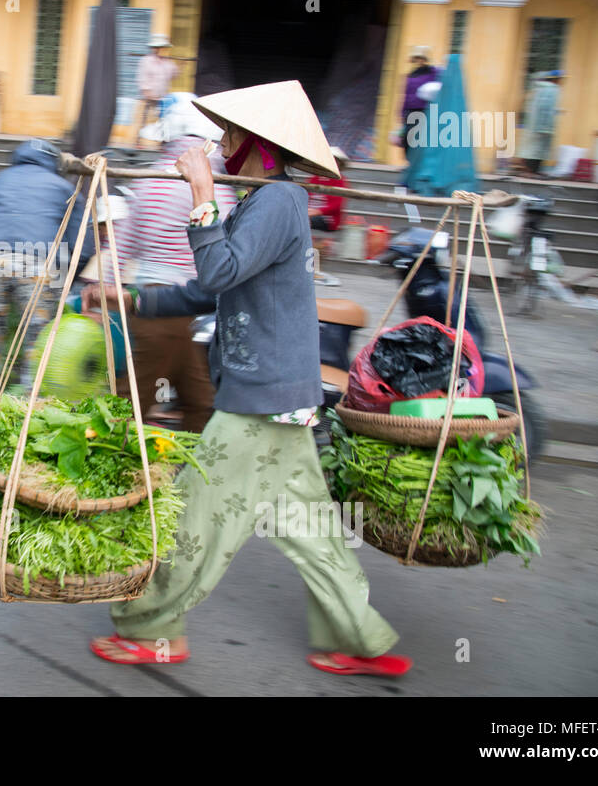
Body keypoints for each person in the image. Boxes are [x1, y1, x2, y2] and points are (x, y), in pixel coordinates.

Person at [82, 80, 410, 678]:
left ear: (257, 143)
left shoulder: (278, 200)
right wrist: (129, 298)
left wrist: (202, 192)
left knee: (196, 518)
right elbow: (211, 289)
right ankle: (361, 639)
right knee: (312, 532)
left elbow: (218, 266)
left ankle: (154, 631)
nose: (222, 144)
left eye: (231, 135)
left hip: (260, 400)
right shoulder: (264, 202)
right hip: (281, 397)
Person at [107, 102, 237, 432]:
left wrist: (108, 290)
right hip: (179, 308)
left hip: (154, 304)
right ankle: (104, 460)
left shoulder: (148, 182)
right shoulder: (212, 186)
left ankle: (198, 469)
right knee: (132, 402)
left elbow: (121, 246)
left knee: (199, 400)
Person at [0, 138, 94, 402]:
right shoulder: (64, 188)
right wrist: (65, 279)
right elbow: (84, 244)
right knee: (36, 349)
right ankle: (27, 422)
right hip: (38, 266)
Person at [400, 46, 439, 175]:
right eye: (417, 58)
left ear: (425, 59)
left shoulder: (432, 72)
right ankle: (410, 163)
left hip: (425, 110)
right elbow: (405, 95)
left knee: (422, 139)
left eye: (421, 58)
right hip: (410, 111)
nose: (419, 60)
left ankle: (420, 166)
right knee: (407, 140)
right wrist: (402, 112)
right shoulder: (411, 75)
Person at [517, 69, 564, 177]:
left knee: (534, 148)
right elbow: (545, 109)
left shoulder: (539, 89)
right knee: (537, 149)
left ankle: (531, 170)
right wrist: (545, 126)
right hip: (542, 125)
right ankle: (531, 170)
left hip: (533, 123)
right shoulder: (551, 90)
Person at [136, 34, 179, 137]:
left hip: (162, 96)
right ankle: (138, 140)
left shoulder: (167, 62)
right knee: (144, 119)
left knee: (164, 120)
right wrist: (147, 92)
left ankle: (163, 140)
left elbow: (173, 75)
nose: (159, 50)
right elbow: (142, 78)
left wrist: (179, 66)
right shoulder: (146, 61)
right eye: (157, 48)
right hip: (149, 95)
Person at [308, 145, 349, 232]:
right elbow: (306, 197)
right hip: (310, 214)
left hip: (328, 219)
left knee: (303, 221)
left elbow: (337, 205)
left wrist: (318, 211)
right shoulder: (314, 178)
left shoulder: (339, 180)